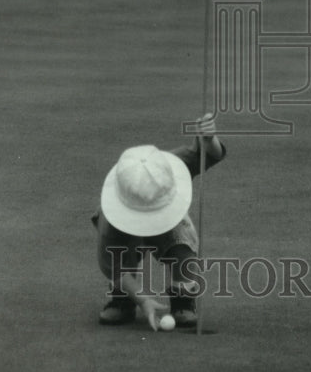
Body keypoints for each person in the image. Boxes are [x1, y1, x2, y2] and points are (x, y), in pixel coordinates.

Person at [93, 113, 225, 330]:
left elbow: (208, 154)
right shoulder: (110, 223)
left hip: (170, 219)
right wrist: (143, 300)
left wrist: (210, 139)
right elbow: (115, 268)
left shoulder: (165, 167)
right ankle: (123, 299)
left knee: (182, 239)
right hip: (123, 232)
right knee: (120, 255)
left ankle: (183, 297)